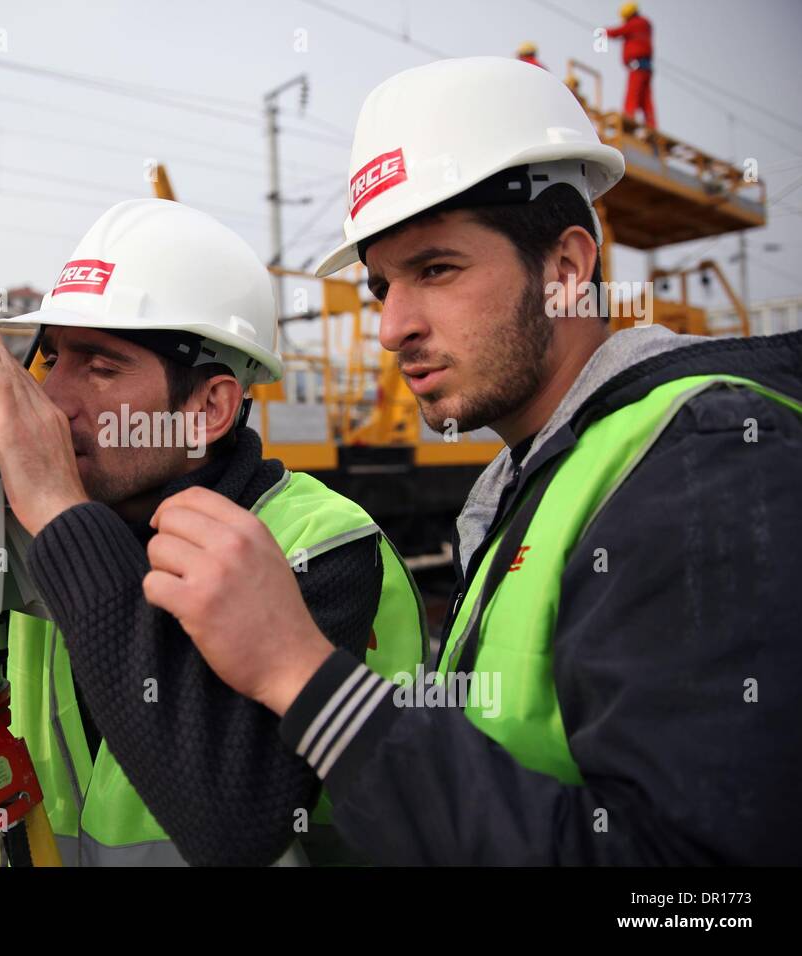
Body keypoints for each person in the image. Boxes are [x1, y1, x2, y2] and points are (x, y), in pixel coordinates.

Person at [144, 56, 802, 864]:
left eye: (436, 270)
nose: (391, 327)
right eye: (385, 285)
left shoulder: (702, 463)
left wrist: (304, 676)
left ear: (564, 269)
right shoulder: (540, 473)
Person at [0, 198, 427, 866]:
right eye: (51, 360)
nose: (55, 400)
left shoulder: (317, 543)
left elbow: (235, 820)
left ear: (208, 408)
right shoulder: (40, 532)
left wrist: (57, 513)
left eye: (101, 368)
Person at [607, 2, 656, 127]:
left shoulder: (635, 24)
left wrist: (604, 32)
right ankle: (651, 124)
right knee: (646, 99)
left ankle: (629, 117)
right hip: (646, 67)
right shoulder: (645, 24)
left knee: (633, 94)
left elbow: (618, 31)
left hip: (637, 65)